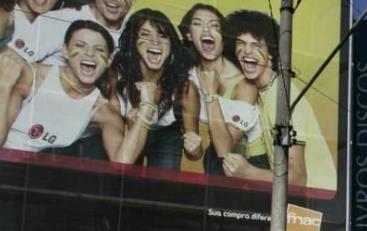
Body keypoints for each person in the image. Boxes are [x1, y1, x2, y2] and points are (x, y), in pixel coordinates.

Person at [0, 19, 155, 162]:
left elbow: (122, 163)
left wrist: (146, 110)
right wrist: (4, 85)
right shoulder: (32, 77)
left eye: (99, 49)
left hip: (34, 177)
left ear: (108, 60)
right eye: (80, 46)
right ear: (65, 51)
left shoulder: (102, 110)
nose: (89, 53)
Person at [222, 10, 336, 191]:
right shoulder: (255, 92)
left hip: (316, 203)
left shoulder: (284, 95)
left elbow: (297, 178)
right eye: (241, 44)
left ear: (271, 52)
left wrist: (248, 173)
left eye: (256, 44)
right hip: (286, 200)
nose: (246, 51)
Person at [112, 8, 202, 169]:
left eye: (162, 35)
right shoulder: (117, 76)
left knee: (163, 189)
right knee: (122, 183)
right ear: (133, 42)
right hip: (127, 133)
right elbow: (119, 159)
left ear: (171, 46)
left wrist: (194, 147)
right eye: (145, 34)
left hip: (166, 135)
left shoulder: (185, 88)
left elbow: (195, 154)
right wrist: (132, 124)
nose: (155, 42)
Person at [178, 3, 261, 174]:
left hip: (249, 161)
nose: (207, 30)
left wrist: (210, 94)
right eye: (198, 24)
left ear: (223, 36)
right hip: (214, 161)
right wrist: (193, 148)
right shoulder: (188, 81)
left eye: (214, 25)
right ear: (188, 34)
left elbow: (226, 150)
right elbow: (194, 150)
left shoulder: (244, 83)